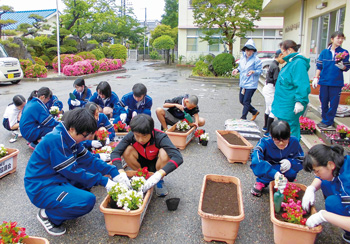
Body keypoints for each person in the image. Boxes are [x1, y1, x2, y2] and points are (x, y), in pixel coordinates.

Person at [24, 108, 129, 236]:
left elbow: (88, 160)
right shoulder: (56, 140)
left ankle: (62, 202)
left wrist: (113, 171)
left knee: (86, 179)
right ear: (72, 129)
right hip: (41, 187)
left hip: (57, 178)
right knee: (87, 201)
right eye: (85, 136)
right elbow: (72, 171)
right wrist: (104, 180)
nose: (86, 139)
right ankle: (49, 216)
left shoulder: (68, 136)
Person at [110, 114, 183, 197]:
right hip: (140, 163)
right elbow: (115, 152)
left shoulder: (160, 136)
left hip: (157, 165)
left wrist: (158, 175)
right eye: (137, 136)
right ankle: (142, 176)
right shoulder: (131, 135)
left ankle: (159, 180)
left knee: (164, 153)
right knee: (127, 150)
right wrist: (121, 172)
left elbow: (178, 157)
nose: (140, 139)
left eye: (144, 136)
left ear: (151, 131)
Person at [302, 144, 350, 242]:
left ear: (331, 165)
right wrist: (311, 188)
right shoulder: (342, 162)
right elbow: (321, 178)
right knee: (325, 182)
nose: (316, 175)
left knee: (332, 203)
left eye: (317, 171)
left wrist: (324, 216)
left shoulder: (347, 183)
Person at [250, 120, 304, 197]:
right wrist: (274, 173)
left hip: (285, 168)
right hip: (270, 168)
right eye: (277, 140)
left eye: (285, 139)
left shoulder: (294, 141)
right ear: (271, 136)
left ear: (289, 135)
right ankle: (261, 182)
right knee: (263, 170)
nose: (281, 143)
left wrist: (290, 162)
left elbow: (300, 158)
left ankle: (286, 182)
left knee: (291, 173)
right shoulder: (265, 142)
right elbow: (256, 160)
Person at [271, 40, 310, 141]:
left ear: (289, 50)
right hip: (283, 103)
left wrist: (300, 101)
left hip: (289, 105)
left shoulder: (298, 63)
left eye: (282, 52)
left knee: (290, 129)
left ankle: (293, 152)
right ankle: (286, 150)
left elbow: (302, 83)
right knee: (284, 129)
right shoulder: (291, 62)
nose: (281, 54)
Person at [312, 31, 350, 129]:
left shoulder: (344, 52)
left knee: (333, 103)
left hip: (336, 82)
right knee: (323, 100)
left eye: (342, 38)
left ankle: (328, 121)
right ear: (332, 39)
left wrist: (342, 67)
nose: (340, 40)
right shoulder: (324, 52)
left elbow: (346, 67)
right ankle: (325, 119)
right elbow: (319, 66)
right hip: (324, 81)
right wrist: (316, 77)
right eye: (338, 38)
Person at [232, 39, 262, 121]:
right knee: (242, 101)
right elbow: (240, 68)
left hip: (251, 84)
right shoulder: (242, 58)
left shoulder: (256, 60)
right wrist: (237, 70)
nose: (248, 52)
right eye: (247, 50)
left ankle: (243, 117)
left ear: (253, 51)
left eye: (251, 50)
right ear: (245, 50)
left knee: (246, 101)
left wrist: (254, 71)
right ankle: (254, 111)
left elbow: (260, 71)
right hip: (243, 83)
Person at [262, 49, 285, 137]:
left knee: (268, 108)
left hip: (267, 87)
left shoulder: (273, 64)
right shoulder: (275, 66)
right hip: (270, 88)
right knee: (272, 109)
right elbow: (276, 81)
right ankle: (268, 131)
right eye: (284, 57)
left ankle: (265, 127)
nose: (284, 60)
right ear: (280, 55)